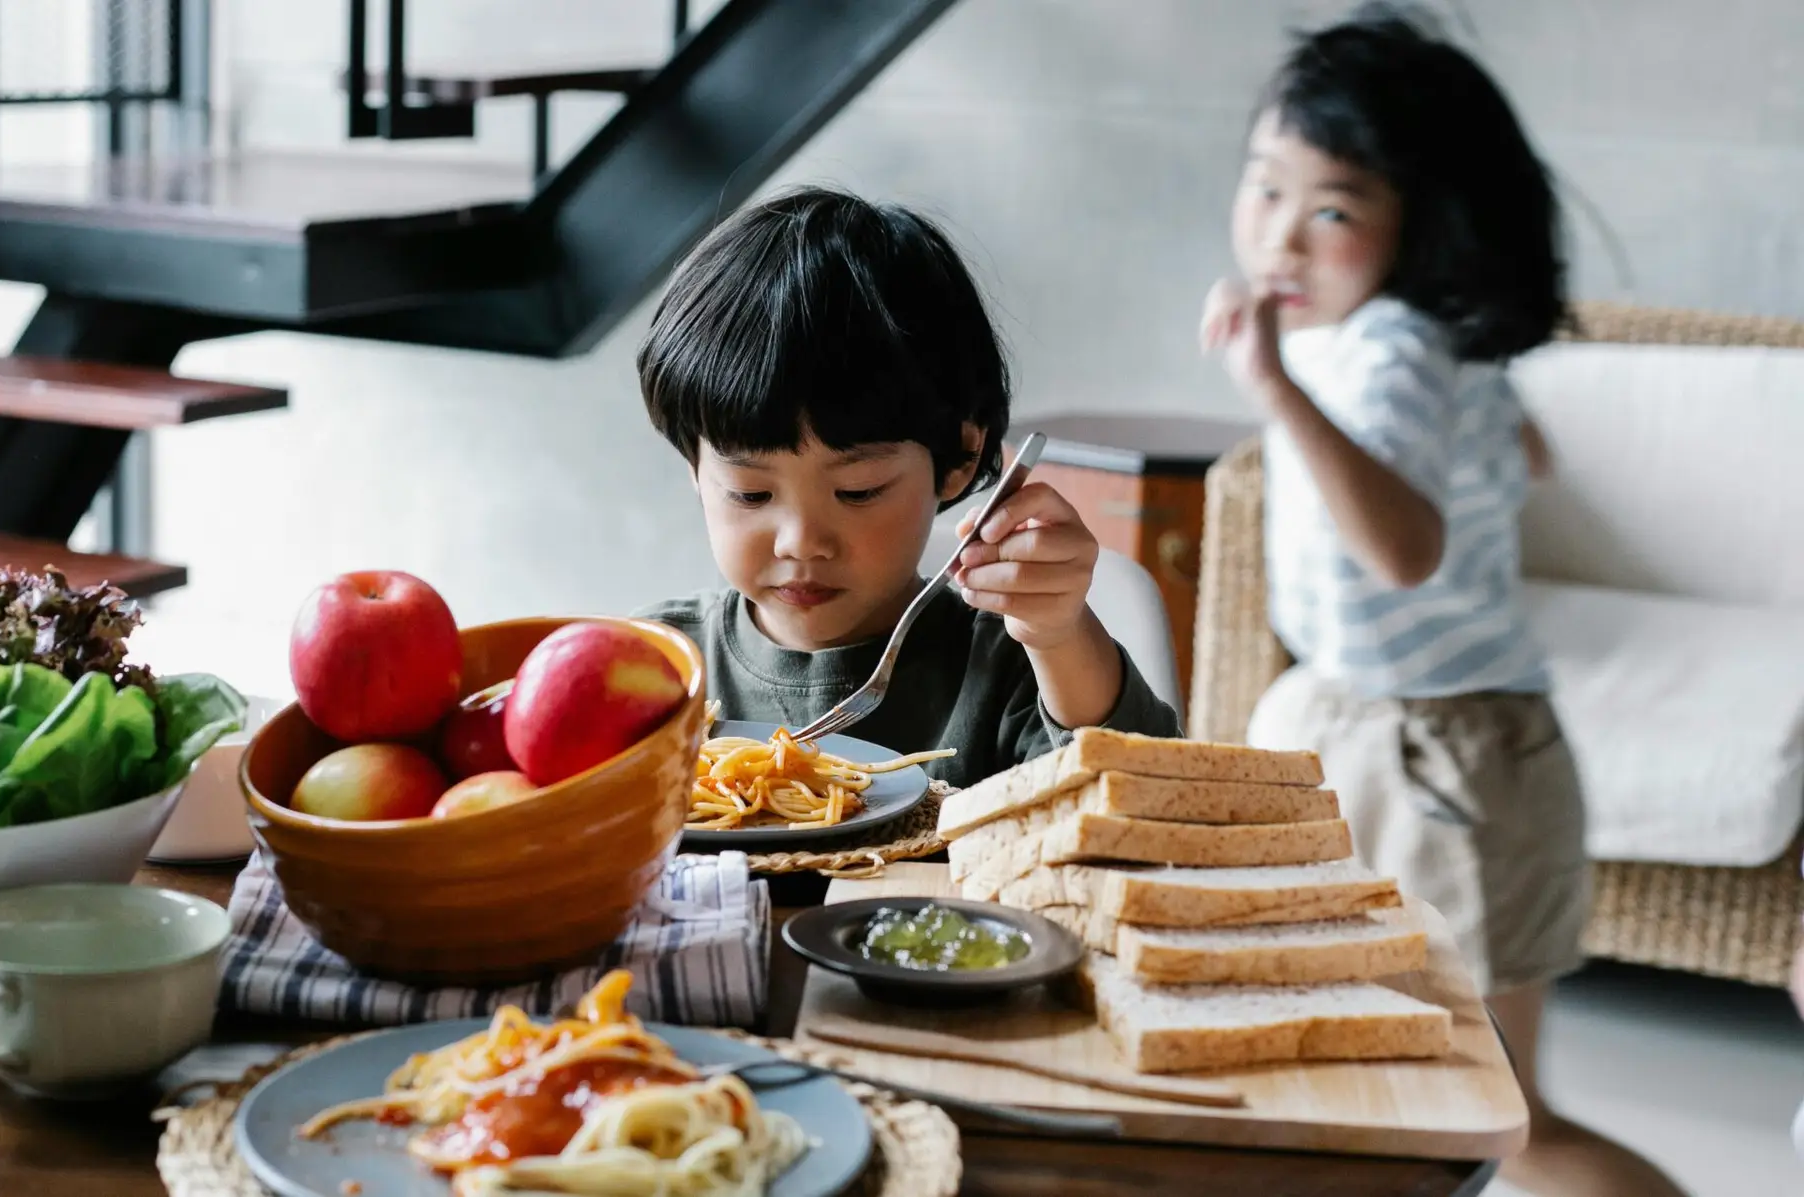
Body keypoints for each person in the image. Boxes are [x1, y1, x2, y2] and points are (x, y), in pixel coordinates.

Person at [1201, 8, 1684, 1195]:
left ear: (1421, 228)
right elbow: (1522, 459)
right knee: (1366, 1069)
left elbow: (1405, 548)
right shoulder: (1381, 336)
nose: (1281, 238)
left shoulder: (1395, 348)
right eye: (1265, 189)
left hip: (1450, 754)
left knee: (1497, 1111)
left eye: (1334, 210)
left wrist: (1271, 388)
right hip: (1361, 721)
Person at [634, 186, 1179, 787]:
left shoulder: (1006, 669)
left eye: (859, 491)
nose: (802, 542)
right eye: (750, 493)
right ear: (695, 468)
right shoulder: (654, 665)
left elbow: (1153, 804)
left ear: (960, 460)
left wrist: (1060, 637)